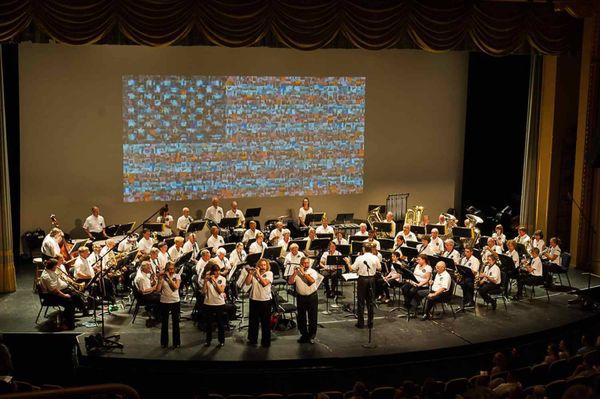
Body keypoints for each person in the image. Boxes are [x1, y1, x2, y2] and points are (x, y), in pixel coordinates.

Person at [39, 258, 77, 330]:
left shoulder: (51, 271)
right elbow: (54, 291)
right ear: (53, 266)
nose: (57, 267)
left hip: (56, 292)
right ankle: (69, 325)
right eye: (56, 266)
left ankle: (67, 317)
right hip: (50, 296)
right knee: (70, 303)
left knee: (75, 296)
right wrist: (65, 295)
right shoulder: (46, 276)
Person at [349, 243, 381, 329]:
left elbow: (352, 268)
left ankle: (361, 323)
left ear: (363, 249)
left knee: (361, 301)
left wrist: (348, 262)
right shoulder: (375, 257)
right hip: (371, 280)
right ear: (371, 249)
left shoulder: (360, 258)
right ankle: (370, 323)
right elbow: (379, 268)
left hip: (362, 280)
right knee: (370, 302)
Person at [288, 257, 319, 344]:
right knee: (301, 317)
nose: (306, 265)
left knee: (312, 317)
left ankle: (312, 335)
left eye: (307, 263)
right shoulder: (297, 273)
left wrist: (303, 273)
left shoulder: (312, 271)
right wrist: (294, 273)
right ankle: (304, 335)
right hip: (301, 297)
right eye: (304, 263)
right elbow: (290, 282)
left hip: (312, 297)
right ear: (301, 263)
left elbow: (312, 281)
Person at [244, 258, 273, 347]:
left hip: (265, 301)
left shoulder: (269, 274)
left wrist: (258, 275)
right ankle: (253, 339)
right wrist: (250, 273)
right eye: (261, 265)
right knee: (253, 322)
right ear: (258, 266)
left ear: (267, 266)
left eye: (264, 265)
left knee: (265, 322)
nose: (263, 267)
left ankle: (266, 341)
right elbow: (247, 283)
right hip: (254, 299)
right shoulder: (254, 274)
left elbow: (264, 283)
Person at [203, 261, 227, 347]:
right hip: (208, 303)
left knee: (220, 323)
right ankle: (208, 341)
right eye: (215, 271)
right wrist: (206, 281)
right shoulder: (208, 280)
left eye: (218, 271)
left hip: (219, 303)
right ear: (212, 272)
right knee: (208, 324)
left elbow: (221, 291)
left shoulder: (222, 279)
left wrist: (214, 281)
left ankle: (221, 341)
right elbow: (204, 291)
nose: (217, 273)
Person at [157, 261, 181, 348]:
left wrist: (169, 278)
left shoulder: (177, 276)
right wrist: (160, 280)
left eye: (172, 269)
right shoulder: (162, 278)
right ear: (166, 269)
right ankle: (164, 342)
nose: (171, 271)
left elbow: (176, 287)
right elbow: (158, 290)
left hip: (175, 301)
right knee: (164, 323)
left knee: (175, 322)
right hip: (164, 301)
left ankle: (176, 342)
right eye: (169, 269)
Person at [458, 246, 480, 310]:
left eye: (467, 252)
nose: (466, 253)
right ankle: (466, 300)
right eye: (465, 251)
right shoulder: (464, 259)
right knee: (462, 282)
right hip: (465, 275)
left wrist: (468, 270)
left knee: (467, 283)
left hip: (472, 277)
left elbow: (475, 272)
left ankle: (470, 301)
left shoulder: (475, 260)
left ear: (471, 252)